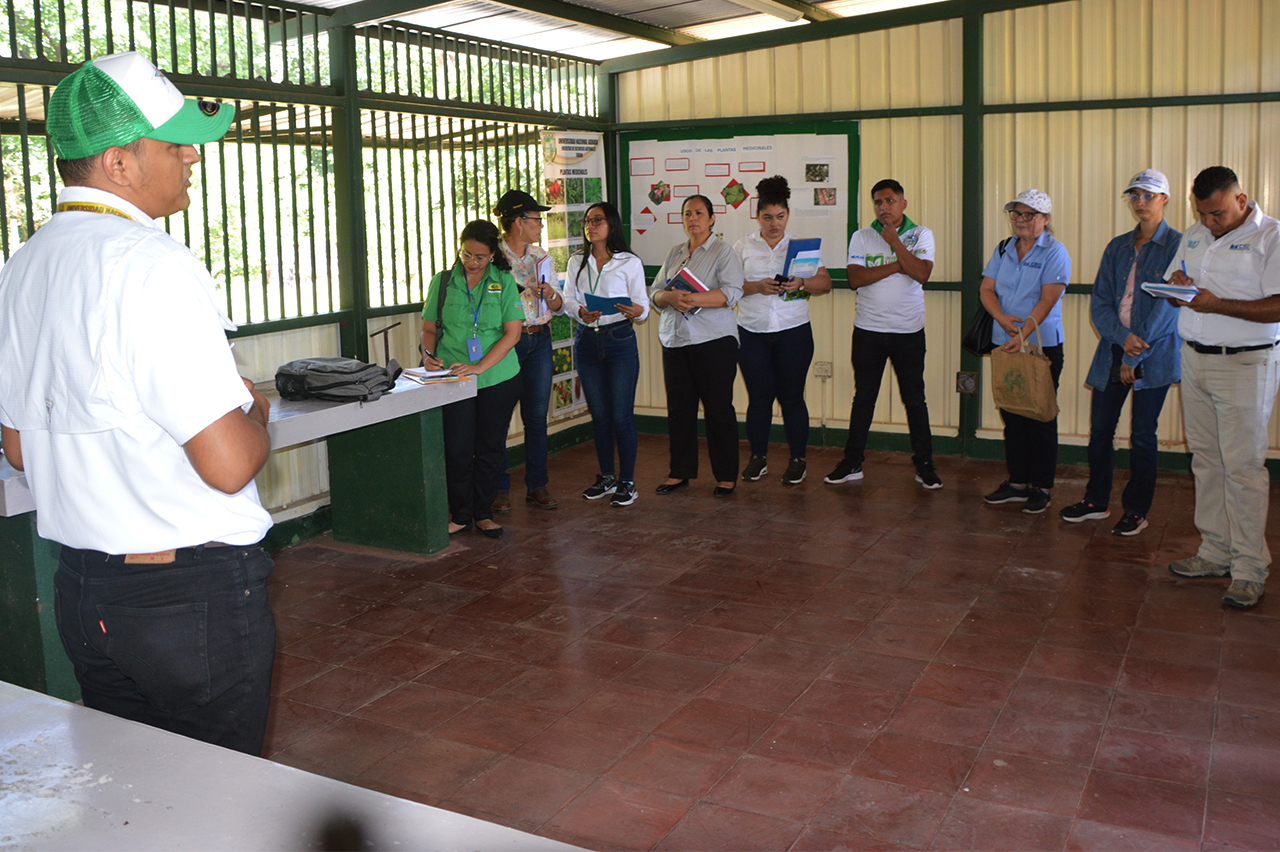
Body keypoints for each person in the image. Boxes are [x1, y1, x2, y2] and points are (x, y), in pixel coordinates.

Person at [0, 52, 274, 755]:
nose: (191, 156)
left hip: (86, 592)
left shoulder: (23, 267)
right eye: (172, 142)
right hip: (188, 599)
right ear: (120, 163)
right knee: (219, 797)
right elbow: (227, 466)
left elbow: (21, 450)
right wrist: (255, 411)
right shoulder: (151, 265)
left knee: (138, 792)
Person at [1165, 166, 1280, 609]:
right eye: (1203, 214)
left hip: (1246, 363)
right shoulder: (1194, 234)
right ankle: (1214, 552)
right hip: (1194, 357)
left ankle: (1250, 569)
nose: (1210, 223)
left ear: (1241, 199)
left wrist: (1218, 304)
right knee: (1207, 462)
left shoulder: (1270, 237)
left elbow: (1276, 307)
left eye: (1217, 214)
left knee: (1244, 469)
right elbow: (1178, 280)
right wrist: (1177, 287)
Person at [1060, 170, 1182, 536]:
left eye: (1149, 195)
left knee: (1143, 433)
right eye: (1135, 196)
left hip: (1153, 354)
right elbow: (1100, 303)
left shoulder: (1179, 246)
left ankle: (1136, 510)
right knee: (1100, 429)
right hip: (1115, 348)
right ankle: (1097, 500)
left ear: (1164, 199)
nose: (1140, 202)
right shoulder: (1117, 247)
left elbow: (1169, 308)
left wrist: (1135, 353)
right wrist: (1122, 339)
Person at [826, 179, 940, 489]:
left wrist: (896, 244)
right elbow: (855, 279)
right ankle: (852, 463)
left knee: (915, 399)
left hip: (908, 332)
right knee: (863, 398)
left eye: (889, 200)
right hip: (868, 331)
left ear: (903, 204)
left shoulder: (921, 234)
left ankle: (925, 465)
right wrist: (896, 265)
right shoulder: (862, 237)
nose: (883, 207)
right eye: (878, 202)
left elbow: (921, 273)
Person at [421, 220, 524, 539]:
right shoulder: (443, 281)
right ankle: (461, 513)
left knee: (490, 447)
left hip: (497, 377)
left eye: (480, 257)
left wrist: (480, 367)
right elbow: (429, 328)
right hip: (453, 379)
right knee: (457, 449)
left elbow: (513, 333)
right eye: (467, 254)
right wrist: (427, 354)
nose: (472, 262)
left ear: (493, 254)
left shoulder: (504, 281)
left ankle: (483, 513)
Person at [733, 175, 831, 486]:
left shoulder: (802, 246)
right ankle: (758, 458)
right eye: (767, 217)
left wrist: (802, 282)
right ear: (757, 216)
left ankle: (798, 460)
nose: (774, 224)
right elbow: (730, 289)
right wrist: (755, 287)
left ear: (787, 215)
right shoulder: (742, 246)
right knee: (759, 398)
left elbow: (825, 283)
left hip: (793, 331)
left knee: (792, 397)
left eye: (780, 217)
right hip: (752, 332)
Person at [979, 189, 1072, 515]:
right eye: (1016, 214)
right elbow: (986, 288)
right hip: (1005, 342)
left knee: (1040, 414)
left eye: (1029, 215)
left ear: (1045, 220)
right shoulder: (1004, 248)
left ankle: (1042, 486)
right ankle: (1017, 483)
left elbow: (1048, 300)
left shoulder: (1055, 253)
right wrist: (1003, 320)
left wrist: (1023, 332)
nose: (1020, 220)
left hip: (1040, 345)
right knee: (1012, 411)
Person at [649, 194, 745, 497]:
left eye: (699, 213)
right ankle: (680, 472)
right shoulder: (675, 251)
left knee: (718, 410)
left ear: (712, 218)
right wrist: (667, 298)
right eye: (688, 213)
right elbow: (655, 291)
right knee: (680, 410)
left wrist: (688, 299)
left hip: (714, 341)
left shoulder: (723, 251)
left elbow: (731, 293)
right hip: (675, 341)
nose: (693, 219)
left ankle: (726, 475)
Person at [562, 202, 649, 507]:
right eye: (587, 221)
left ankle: (628, 482)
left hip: (619, 339)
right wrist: (580, 313)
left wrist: (636, 310)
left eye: (598, 220)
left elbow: (643, 307)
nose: (591, 225)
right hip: (587, 341)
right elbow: (568, 299)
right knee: (599, 416)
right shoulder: (577, 261)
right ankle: (607, 477)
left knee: (620, 416)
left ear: (612, 224)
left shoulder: (629, 262)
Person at [492, 189, 562, 513]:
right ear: (518, 222)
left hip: (540, 339)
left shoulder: (542, 257)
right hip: (507, 343)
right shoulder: (493, 258)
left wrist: (550, 295)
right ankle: (498, 488)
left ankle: (537, 486)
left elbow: (559, 306)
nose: (541, 226)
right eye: (536, 219)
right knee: (500, 418)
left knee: (536, 417)